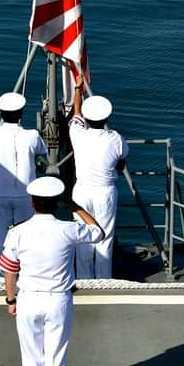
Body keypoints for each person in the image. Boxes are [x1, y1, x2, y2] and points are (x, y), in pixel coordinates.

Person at [0, 175, 104, 366]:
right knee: (56, 357)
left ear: (32, 203)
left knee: (32, 357)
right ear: (57, 203)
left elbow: (10, 270)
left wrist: (10, 300)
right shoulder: (69, 229)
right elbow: (98, 233)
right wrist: (76, 207)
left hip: (28, 300)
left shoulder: (18, 232)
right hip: (59, 301)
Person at [0, 92, 47, 272]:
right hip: (26, 195)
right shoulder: (32, 135)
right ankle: (26, 273)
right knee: (26, 237)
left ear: (0, 114)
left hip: (0, 193)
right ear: (21, 114)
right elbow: (41, 151)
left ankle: (3, 276)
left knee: (2, 236)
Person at [68, 74, 128, 278]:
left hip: (82, 192)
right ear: (107, 118)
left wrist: (78, 90)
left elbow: (76, 113)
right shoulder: (116, 139)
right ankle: (103, 279)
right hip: (105, 192)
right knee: (105, 238)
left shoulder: (77, 134)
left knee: (83, 237)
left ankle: (84, 279)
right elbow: (121, 160)